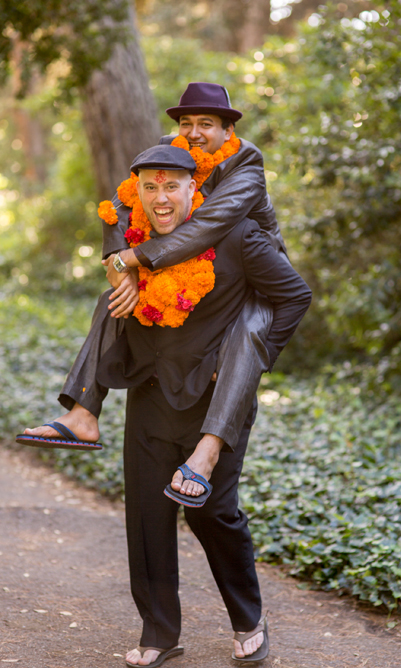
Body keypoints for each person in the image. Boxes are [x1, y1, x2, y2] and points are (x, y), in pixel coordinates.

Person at [96, 144, 311, 666]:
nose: (161, 198)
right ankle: (159, 632)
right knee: (147, 517)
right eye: (150, 187)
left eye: (172, 186)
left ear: (196, 188)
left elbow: (294, 296)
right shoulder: (135, 242)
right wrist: (121, 269)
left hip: (217, 405)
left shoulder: (238, 235)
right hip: (151, 396)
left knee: (214, 512)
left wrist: (255, 359)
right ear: (139, 192)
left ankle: (247, 617)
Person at [18, 83, 286, 484]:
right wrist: (115, 261)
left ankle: (208, 452)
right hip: (189, 264)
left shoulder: (247, 164)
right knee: (115, 297)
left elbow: (208, 226)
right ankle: (83, 412)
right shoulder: (171, 150)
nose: (193, 132)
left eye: (206, 124)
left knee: (246, 338)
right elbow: (123, 201)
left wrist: (133, 257)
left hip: (252, 280)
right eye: (186, 123)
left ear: (228, 131)